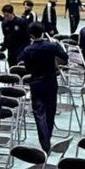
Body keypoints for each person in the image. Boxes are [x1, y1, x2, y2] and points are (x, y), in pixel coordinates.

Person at [22, 23, 65, 153]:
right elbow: (65, 57)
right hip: (51, 82)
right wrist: (57, 44)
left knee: (39, 113)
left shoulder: (28, 50)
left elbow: (28, 69)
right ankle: (48, 138)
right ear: (42, 32)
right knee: (50, 111)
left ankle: (44, 143)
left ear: (31, 35)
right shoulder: (52, 46)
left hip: (36, 82)